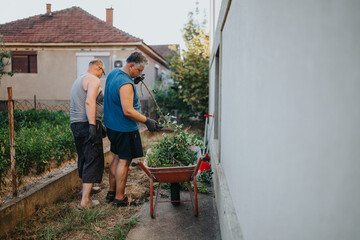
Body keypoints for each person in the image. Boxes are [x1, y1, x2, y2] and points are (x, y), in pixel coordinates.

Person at [104, 51, 160, 207]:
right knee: (124, 161)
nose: (140, 73)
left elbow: (117, 92)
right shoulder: (126, 84)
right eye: (139, 70)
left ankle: (111, 192)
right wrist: (146, 120)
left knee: (116, 157)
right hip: (125, 128)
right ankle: (120, 198)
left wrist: (133, 80)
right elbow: (128, 110)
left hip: (112, 126)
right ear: (130, 65)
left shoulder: (114, 73)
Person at [70, 59, 106, 209]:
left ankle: (85, 190)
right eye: (102, 72)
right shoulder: (93, 80)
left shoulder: (78, 80)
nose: (101, 75)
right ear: (98, 68)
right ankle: (85, 201)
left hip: (76, 124)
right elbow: (89, 102)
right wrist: (93, 125)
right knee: (93, 158)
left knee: (84, 157)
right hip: (87, 124)